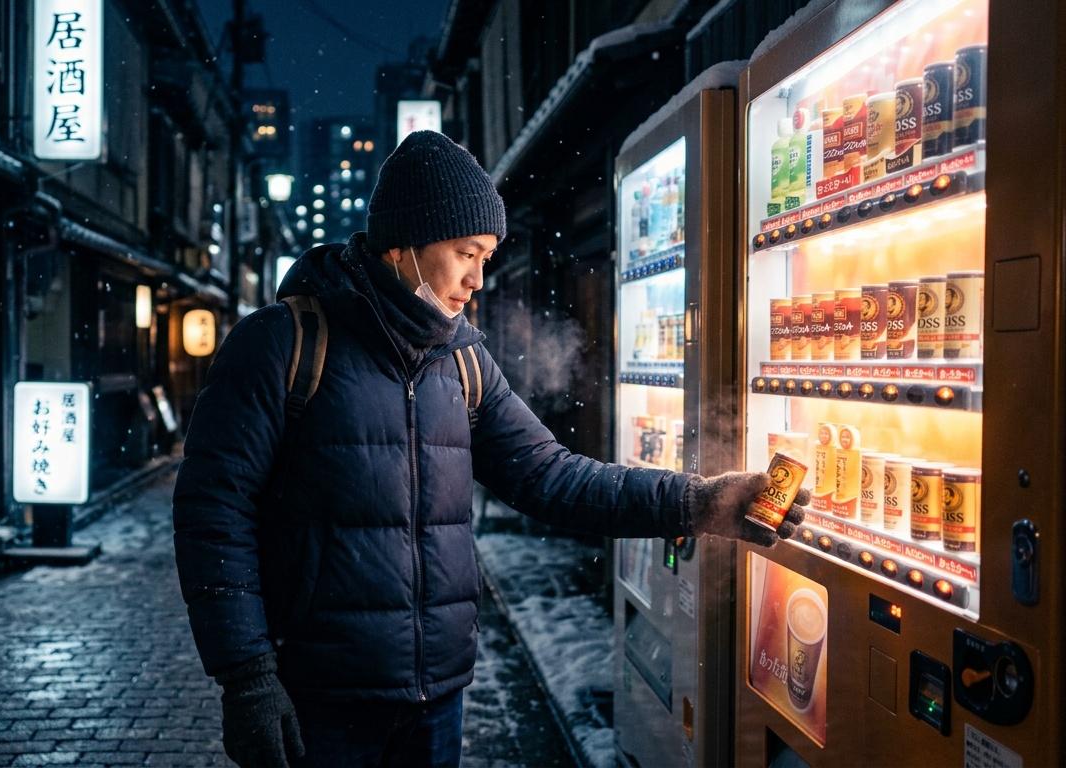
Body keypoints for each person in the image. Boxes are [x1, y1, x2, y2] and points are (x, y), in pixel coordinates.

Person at [173, 130, 806, 768]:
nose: (478, 278)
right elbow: (213, 514)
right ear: (403, 246)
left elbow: (551, 476)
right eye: (465, 252)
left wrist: (699, 503)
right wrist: (248, 677)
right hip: (321, 699)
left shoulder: (463, 359)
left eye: (488, 255)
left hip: (438, 698)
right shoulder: (282, 344)